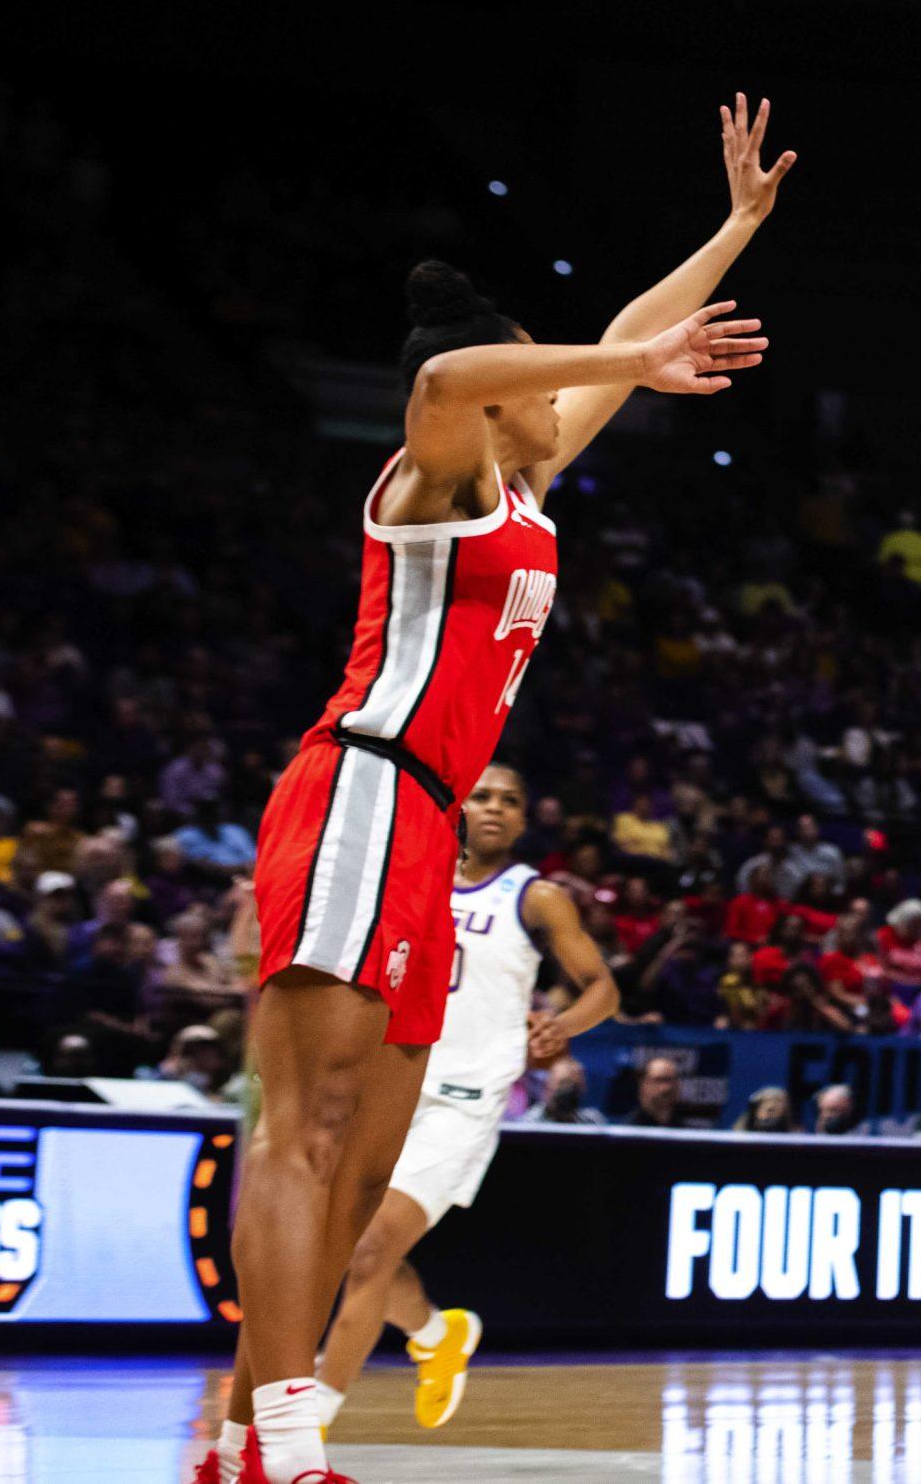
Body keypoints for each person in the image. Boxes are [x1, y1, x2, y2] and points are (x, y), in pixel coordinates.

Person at [198, 95, 788, 1484]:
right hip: (357, 787)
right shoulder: (437, 467)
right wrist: (632, 352)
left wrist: (737, 227)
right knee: (307, 1131)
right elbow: (450, 374)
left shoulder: (525, 481)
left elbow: (619, 335)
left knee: (363, 1166)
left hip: (425, 826)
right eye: (545, 373)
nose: (560, 391)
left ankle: (237, 1438)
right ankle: (280, 1442)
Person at [313, 767, 619, 1435]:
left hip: (462, 1103)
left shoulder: (535, 896)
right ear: (459, 805)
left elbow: (603, 986)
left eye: (510, 800)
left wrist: (561, 1025)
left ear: (522, 820)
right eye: (483, 795)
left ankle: (305, 1425)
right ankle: (436, 1334)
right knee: (347, 1251)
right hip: (387, 1085)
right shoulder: (413, 879)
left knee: (367, 1251)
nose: (495, 808)